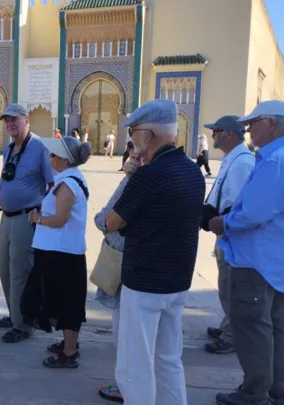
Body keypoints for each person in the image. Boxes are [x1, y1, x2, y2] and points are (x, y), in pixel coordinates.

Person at [209, 100, 284, 405]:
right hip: (280, 259)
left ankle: (254, 392)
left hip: (258, 260)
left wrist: (222, 223)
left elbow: (254, 212)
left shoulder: (278, 160)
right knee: (275, 325)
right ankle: (276, 389)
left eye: (253, 123)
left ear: (271, 124)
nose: (248, 129)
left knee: (253, 327)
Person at [105, 99, 205, 405]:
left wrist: (130, 176)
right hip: (177, 282)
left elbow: (111, 221)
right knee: (168, 360)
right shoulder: (192, 172)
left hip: (145, 284)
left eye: (134, 132)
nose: (132, 139)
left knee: (135, 366)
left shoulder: (148, 176)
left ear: (148, 135)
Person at [26, 136, 91, 369]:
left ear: (65, 159)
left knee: (67, 302)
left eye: (54, 155)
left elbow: (60, 219)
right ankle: (68, 344)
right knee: (65, 300)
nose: (51, 158)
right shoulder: (69, 179)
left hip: (62, 252)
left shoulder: (67, 183)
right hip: (60, 250)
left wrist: (38, 219)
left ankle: (69, 352)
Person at [0, 103, 55, 343]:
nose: (10, 124)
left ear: (26, 119)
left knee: (20, 271)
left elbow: (52, 184)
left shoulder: (39, 147)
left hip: (26, 217)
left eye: (14, 120)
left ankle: (24, 324)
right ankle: (15, 314)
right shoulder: (9, 148)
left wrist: (43, 216)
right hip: (7, 217)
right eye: (6, 120)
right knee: (4, 267)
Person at [199, 115, 255, 355]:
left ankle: (233, 335)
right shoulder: (233, 159)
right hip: (224, 229)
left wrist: (222, 222)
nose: (213, 136)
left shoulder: (242, 162)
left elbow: (240, 203)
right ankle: (228, 325)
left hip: (232, 234)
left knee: (232, 286)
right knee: (226, 283)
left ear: (230, 134)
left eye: (217, 131)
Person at [96, 150, 142, 403]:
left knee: (125, 329)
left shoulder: (135, 181)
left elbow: (109, 218)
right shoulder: (171, 175)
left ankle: (127, 387)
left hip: (127, 263)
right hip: (156, 270)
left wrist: (100, 221)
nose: (131, 155)